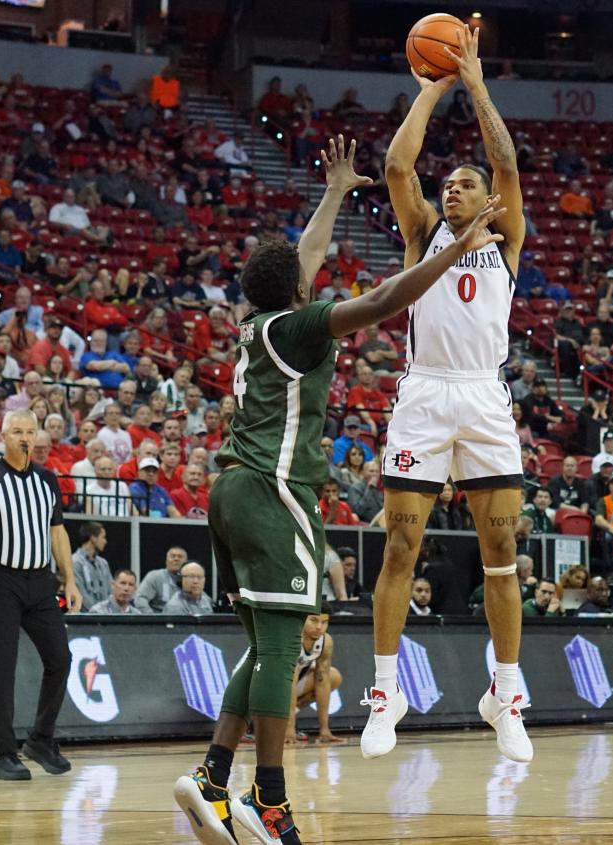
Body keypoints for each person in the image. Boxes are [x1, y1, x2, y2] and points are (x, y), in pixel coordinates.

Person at [174, 134, 505, 845]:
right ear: (294, 288)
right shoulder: (297, 326)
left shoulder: (253, 321)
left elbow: (307, 257)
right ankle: (268, 800)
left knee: (265, 643)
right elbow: (388, 296)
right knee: (285, 647)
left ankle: (210, 776)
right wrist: (452, 248)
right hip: (271, 491)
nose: (310, 272)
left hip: (230, 488)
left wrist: (332, 192)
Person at [355, 22, 534, 766]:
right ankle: (384, 690)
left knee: (501, 550)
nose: (451, 188)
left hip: (484, 399)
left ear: (486, 197)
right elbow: (398, 165)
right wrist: (432, 85)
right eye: (447, 183)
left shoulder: (507, 237)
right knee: (401, 544)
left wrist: (476, 82)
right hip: (426, 394)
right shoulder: (424, 230)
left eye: (465, 183)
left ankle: (505, 692)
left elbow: (506, 160)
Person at [0, 409, 81, 782]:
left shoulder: (48, 480)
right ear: (3, 436)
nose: (25, 437)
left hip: (40, 582)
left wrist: (69, 580)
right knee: (2, 668)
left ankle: (41, 738)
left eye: (30, 431)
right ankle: (4, 754)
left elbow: (57, 532)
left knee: (61, 658)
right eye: (17, 431)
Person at [287, 613, 345, 745]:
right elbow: (289, 683)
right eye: (313, 621)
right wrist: (289, 729)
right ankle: (279, 724)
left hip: (287, 683)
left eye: (324, 622)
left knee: (332, 677)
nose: (319, 627)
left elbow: (322, 681)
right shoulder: (292, 638)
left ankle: (283, 721)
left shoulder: (325, 641)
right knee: (289, 681)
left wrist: (324, 730)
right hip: (256, 685)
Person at [68, 522, 112, 610]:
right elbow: (81, 594)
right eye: (103, 537)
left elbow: (110, 592)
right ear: (93, 538)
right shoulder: (74, 562)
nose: (105, 541)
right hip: (87, 618)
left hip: (107, 617)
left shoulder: (103, 563)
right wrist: (97, 614)